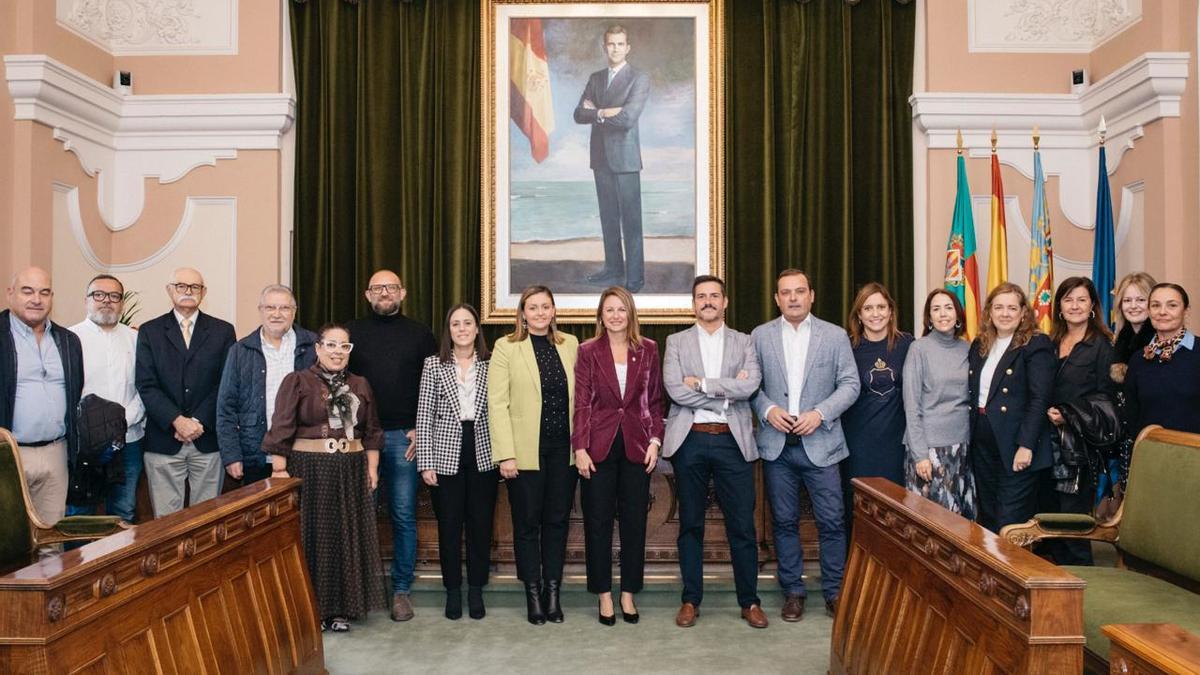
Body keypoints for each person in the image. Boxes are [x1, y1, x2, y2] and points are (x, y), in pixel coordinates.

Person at [751, 269, 859, 622]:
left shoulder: (835, 335)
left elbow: (850, 384)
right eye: (786, 292)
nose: (793, 298)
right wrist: (768, 410)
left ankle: (834, 592)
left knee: (831, 522)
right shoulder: (760, 336)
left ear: (811, 295)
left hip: (822, 443)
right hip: (777, 446)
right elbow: (751, 387)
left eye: (800, 291)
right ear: (776, 299)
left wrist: (820, 413)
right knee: (783, 522)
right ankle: (793, 593)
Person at [263, 324, 385, 632]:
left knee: (345, 537)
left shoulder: (360, 384)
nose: (338, 352)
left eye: (344, 346)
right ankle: (312, 609)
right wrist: (279, 470)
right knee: (314, 538)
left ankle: (340, 610)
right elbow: (281, 428)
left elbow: (371, 432)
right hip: (310, 469)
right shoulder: (297, 381)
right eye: (331, 345)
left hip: (351, 469)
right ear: (317, 348)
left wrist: (371, 470)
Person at [662, 275, 766, 629]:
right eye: (701, 296)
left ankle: (749, 601)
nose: (708, 301)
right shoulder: (676, 342)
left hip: (731, 440)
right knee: (690, 524)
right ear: (693, 304)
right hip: (690, 439)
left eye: (714, 296)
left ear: (725, 302)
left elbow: (750, 385)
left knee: (742, 525)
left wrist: (703, 384)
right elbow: (676, 391)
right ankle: (691, 600)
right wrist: (727, 388)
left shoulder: (745, 341)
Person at [346, 270, 437, 622]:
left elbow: (433, 385)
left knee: (402, 516)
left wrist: (421, 428)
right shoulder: (351, 333)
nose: (385, 292)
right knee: (361, 517)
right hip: (360, 440)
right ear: (368, 295)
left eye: (392, 287)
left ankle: (401, 591)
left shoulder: (420, 334)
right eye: (378, 288)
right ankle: (363, 589)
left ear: (403, 292)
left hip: (404, 438)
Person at [488, 285, 579, 625]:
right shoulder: (506, 347)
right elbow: (497, 404)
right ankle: (533, 594)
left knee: (556, 523)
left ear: (554, 311)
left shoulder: (570, 345)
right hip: (524, 453)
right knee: (527, 525)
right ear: (522, 313)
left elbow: (581, 399)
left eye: (546, 307)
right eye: (533, 307)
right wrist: (506, 455)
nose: (540, 313)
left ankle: (553, 594)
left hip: (563, 452)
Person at [573, 287, 664, 626]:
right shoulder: (587, 351)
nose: (615, 316)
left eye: (621, 310)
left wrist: (655, 440)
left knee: (634, 524)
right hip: (597, 448)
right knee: (597, 523)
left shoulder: (649, 349)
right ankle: (604, 595)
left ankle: (628, 593)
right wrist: (580, 448)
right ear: (600, 316)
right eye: (608, 310)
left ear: (630, 314)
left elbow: (655, 403)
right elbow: (581, 402)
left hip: (638, 449)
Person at [416, 304, 499, 621]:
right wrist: (426, 461)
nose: (462, 328)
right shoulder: (433, 365)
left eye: (468, 323)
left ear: (477, 329)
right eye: (455, 324)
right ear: (448, 330)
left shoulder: (492, 364)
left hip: (483, 453)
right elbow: (424, 416)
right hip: (445, 453)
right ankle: (452, 591)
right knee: (449, 527)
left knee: (480, 526)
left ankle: (476, 589)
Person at [135, 268, 236, 517]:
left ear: (204, 293)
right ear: (170, 290)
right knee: (167, 525)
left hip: (207, 439)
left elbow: (226, 383)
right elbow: (146, 384)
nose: (188, 291)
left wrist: (197, 421)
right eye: (181, 286)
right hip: (164, 439)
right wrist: (177, 421)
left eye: (195, 287)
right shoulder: (150, 331)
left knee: (207, 520)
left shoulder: (223, 331)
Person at [968, 282, 1055, 533]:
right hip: (982, 441)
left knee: (1010, 520)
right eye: (998, 307)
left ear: (1023, 313)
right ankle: (991, 572)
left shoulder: (1035, 344)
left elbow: (1040, 398)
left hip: (1016, 444)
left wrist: (1026, 445)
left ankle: (1010, 572)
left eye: (1011, 308)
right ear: (989, 312)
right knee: (988, 516)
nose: (1005, 313)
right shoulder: (980, 344)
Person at [0, 267, 83, 529]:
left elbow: (75, 391)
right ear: (10, 294)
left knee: (52, 538)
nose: (37, 299)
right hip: (10, 454)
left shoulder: (68, 340)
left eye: (44, 292)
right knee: (8, 538)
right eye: (28, 291)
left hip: (56, 453)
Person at [572, 24, 651, 292]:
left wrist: (597, 112)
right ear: (604, 47)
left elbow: (628, 118)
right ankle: (613, 271)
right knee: (608, 219)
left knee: (631, 221)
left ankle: (635, 278)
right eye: (611, 44)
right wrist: (606, 112)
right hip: (601, 159)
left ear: (627, 47)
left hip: (626, 160)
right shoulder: (595, 78)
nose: (615, 48)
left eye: (620, 44)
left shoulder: (638, 78)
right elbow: (578, 114)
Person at [1043, 277, 1116, 566]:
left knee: (1072, 519)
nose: (1075, 306)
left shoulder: (1101, 346)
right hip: (1046, 442)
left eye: (1081, 299)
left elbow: (1106, 398)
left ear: (1092, 306)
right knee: (1049, 516)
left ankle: (1082, 587)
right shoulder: (1048, 342)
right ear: (1059, 306)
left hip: (1080, 446)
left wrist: (1069, 414)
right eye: (1068, 299)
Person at [217, 285, 317, 486]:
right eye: (270, 308)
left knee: (304, 515)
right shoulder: (240, 351)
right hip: (255, 454)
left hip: (305, 451)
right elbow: (225, 408)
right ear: (260, 310)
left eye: (284, 308)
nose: (277, 314)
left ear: (294, 311)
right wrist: (231, 455)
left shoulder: (313, 346)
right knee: (259, 516)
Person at [69, 274, 145, 522]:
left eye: (114, 296)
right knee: (80, 515)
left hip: (129, 440)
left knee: (124, 511)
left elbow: (146, 386)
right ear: (86, 300)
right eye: (98, 295)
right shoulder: (70, 339)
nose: (106, 301)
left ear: (122, 303)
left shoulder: (136, 340)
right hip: (84, 446)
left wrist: (123, 422)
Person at [840, 282, 913, 532]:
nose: (875, 314)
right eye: (868, 308)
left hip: (896, 445)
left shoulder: (908, 345)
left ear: (891, 311)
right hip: (857, 444)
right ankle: (858, 569)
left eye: (881, 307)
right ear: (859, 315)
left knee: (896, 513)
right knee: (859, 512)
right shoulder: (847, 348)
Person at [902, 290, 975, 518]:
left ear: (958, 314)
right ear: (929, 317)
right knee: (932, 523)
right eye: (936, 309)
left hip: (962, 448)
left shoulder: (969, 349)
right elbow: (911, 405)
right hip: (929, 450)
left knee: (961, 521)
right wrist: (920, 454)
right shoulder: (918, 349)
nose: (943, 314)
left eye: (948, 307)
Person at [1124, 283, 1200, 434]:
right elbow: (1132, 417)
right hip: (1149, 453)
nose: (1162, 312)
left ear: (1186, 311)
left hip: (1193, 453)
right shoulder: (1138, 359)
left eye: (1172, 305)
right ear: (1149, 311)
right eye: (1156, 305)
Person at [1106, 271, 1156, 499]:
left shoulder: (1160, 342)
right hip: (1125, 440)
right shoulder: (1118, 342)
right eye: (1127, 300)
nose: (1133, 306)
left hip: (1153, 437)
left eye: (1140, 300)